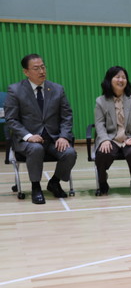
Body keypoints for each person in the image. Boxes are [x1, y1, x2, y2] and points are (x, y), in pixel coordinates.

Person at [4, 54, 77, 205]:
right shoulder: (15, 90)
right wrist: (28, 136)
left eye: (43, 67)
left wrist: (64, 136)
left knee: (70, 153)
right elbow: (11, 119)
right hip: (27, 141)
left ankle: (54, 182)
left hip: (53, 138)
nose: (42, 71)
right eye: (36, 68)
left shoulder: (57, 89)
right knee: (36, 149)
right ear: (26, 72)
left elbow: (67, 116)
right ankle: (36, 187)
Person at [93, 66, 131, 195]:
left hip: (130, 137)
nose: (121, 80)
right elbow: (99, 124)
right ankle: (102, 181)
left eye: (124, 77)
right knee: (103, 153)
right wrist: (104, 140)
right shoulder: (101, 101)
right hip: (111, 138)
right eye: (117, 77)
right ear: (109, 80)